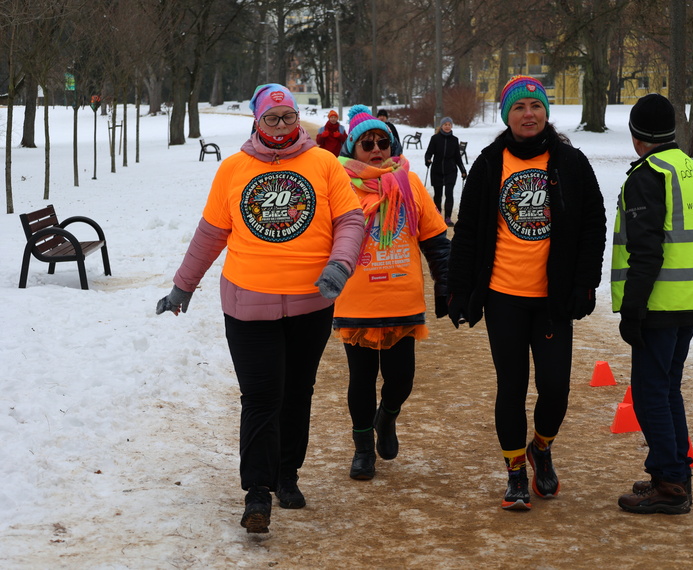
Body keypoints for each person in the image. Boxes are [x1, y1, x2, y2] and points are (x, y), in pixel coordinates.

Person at [155, 84, 363, 534]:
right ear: (257, 120)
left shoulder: (324, 164)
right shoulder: (233, 169)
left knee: (298, 392)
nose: (281, 125)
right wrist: (182, 287)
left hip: (311, 303)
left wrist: (340, 264)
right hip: (248, 305)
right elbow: (211, 232)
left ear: (297, 119)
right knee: (262, 397)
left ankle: (287, 475)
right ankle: (257, 493)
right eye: (272, 118)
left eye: (288, 117)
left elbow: (350, 220)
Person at [447, 76, 606, 511]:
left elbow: (593, 224)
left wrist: (585, 283)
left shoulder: (570, 162)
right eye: (518, 108)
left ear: (546, 113)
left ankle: (542, 446)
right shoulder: (489, 163)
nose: (528, 114)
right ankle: (516, 471)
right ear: (507, 116)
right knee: (511, 387)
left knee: (555, 388)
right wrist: (458, 289)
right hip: (504, 296)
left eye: (535, 106)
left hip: (553, 299)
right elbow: (468, 231)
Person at [612, 93, 693, 515]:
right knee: (667, 388)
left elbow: (646, 250)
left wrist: (632, 309)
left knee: (649, 394)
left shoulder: (648, 175)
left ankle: (670, 483)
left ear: (637, 137)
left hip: (660, 304)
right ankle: (673, 474)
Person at [334, 105, 450, 480]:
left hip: (402, 298)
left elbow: (435, 238)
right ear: (353, 149)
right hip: (356, 300)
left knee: (401, 380)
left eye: (383, 142)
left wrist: (446, 283)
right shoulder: (338, 186)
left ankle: (387, 417)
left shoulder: (409, 183)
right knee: (361, 379)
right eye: (367, 143)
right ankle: (363, 449)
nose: (376, 149)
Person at [424, 116, 467, 226]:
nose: (447, 127)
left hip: (450, 171)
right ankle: (438, 216)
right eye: (445, 124)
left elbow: (457, 157)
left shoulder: (454, 140)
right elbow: (429, 152)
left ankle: (448, 218)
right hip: (437, 170)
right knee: (438, 195)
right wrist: (428, 160)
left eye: (449, 125)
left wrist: (463, 170)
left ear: (451, 126)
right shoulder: (435, 139)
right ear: (441, 126)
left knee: (449, 193)